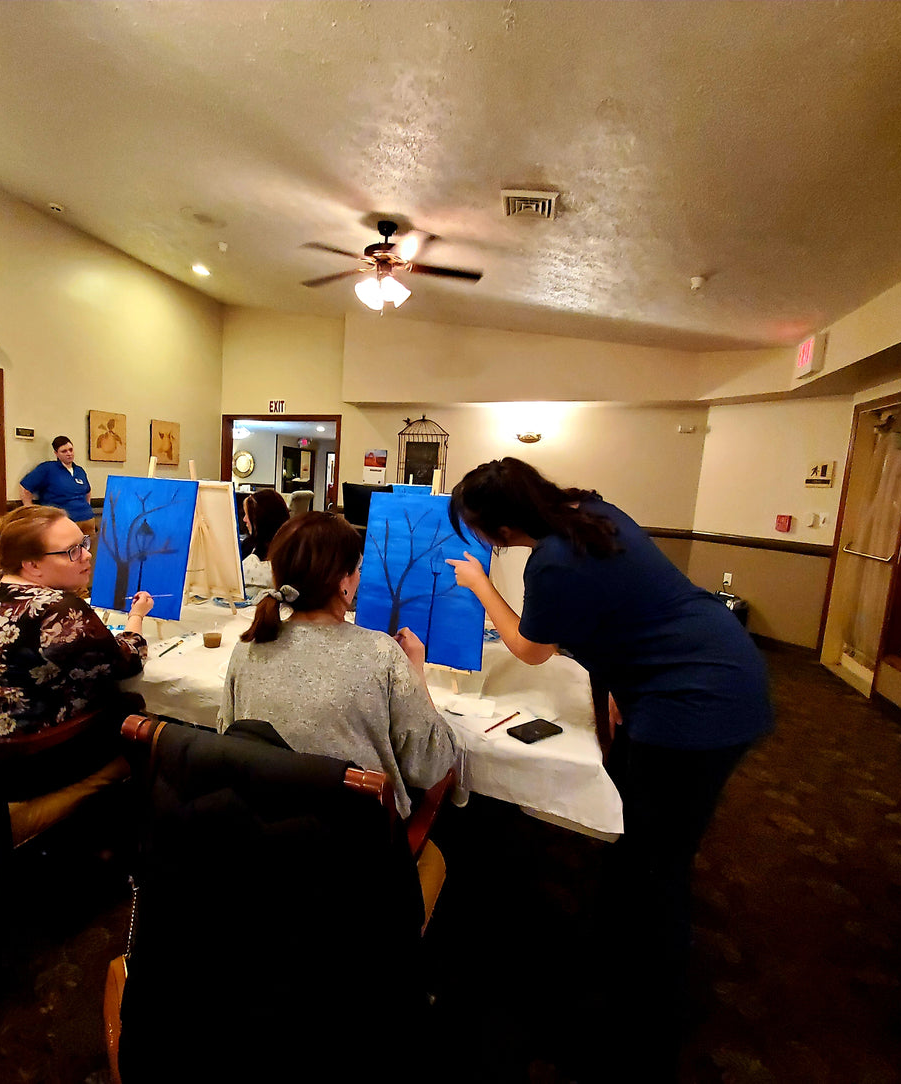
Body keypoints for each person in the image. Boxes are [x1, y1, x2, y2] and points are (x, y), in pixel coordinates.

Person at [444, 457, 773, 1081]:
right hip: (710, 665)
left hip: (698, 700)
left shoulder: (552, 562)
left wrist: (480, 586)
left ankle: (650, 1022)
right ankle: (624, 960)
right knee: (641, 845)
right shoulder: (593, 511)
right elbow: (626, 607)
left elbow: (531, 650)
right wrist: (621, 680)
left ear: (501, 530)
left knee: (658, 861)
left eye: (482, 534)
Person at [219, 511, 458, 818]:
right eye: (358, 569)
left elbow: (227, 737)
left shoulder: (248, 648)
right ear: (344, 581)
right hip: (353, 850)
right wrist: (416, 671)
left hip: (264, 838)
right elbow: (430, 765)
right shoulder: (381, 653)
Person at [0, 505, 154, 789]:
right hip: (19, 761)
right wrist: (137, 616)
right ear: (32, 565)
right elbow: (126, 662)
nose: (87, 555)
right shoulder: (56, 610)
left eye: (84, 544)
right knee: (131, 708)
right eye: (72, 551)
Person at [20, 435, 97, 554]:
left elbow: (87, 490)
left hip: (87, 520)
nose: (69, 453)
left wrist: (87, 507)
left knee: (87, 556)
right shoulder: (47, 469)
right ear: (56, 453)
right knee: (67, 556)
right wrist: (30, 511)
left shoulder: (79, 470)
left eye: (71, 450)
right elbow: (25, 487)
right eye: (64, 451)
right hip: (63, 521)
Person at [238, 488, 289, 594]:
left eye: (247, 515)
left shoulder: (287, 555)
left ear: (259, 519)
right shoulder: (248, 545)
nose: (244, 519)